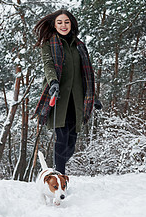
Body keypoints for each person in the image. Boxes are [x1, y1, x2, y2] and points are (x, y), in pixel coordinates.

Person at [33, 9, 102, 174]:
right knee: (62, 138)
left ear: (71, 24)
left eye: (66, 22)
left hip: (76, 99)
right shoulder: (49, 44)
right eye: (59, 22)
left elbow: (86, 76)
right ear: (54, 25)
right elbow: (48, 65)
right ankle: (59, 176)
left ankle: (57, 170)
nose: (63, 25)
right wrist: (53, 82)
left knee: (71, 142)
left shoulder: (79, 46)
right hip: (58, 97)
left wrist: (94, 98)